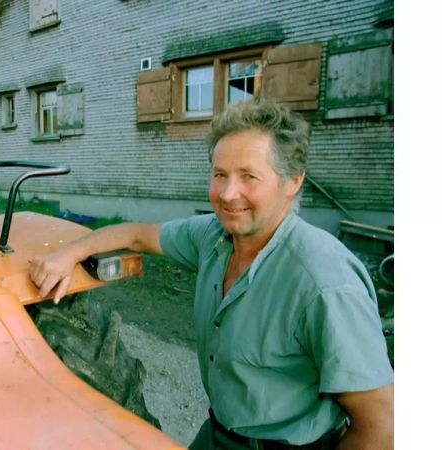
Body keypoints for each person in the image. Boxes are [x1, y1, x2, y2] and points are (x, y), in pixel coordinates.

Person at [29, 99, 393, 449]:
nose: (228, 193)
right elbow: (136, 234)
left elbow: (382, 428)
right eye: (220, 174)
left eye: (249, 176)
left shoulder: (325, 284)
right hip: (220, 433)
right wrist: (67, 254)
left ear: (293, 181)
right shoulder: (213, 237)